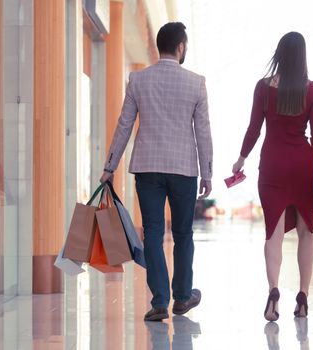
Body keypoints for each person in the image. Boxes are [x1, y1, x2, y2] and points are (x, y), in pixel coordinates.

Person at [100, 22, 213, 321]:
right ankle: (183, 297)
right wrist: (208, 173)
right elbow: (203, 132)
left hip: (147, 169)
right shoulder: (196, 83)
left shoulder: (138, 80)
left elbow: (124, 125)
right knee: (183, 233)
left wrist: (110, 166)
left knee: (152, 232)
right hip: (183, 169)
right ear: (179, 47)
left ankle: (160, 301)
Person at [232, 32, 313, 321]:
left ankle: (273, 292)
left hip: (272, 164)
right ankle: (302, 297)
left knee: (272, 232)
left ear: (279, 53)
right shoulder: (312, 90)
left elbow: (254, 129)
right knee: (306, 232)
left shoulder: (263, 88)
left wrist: (240, 159)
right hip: (302, 166)